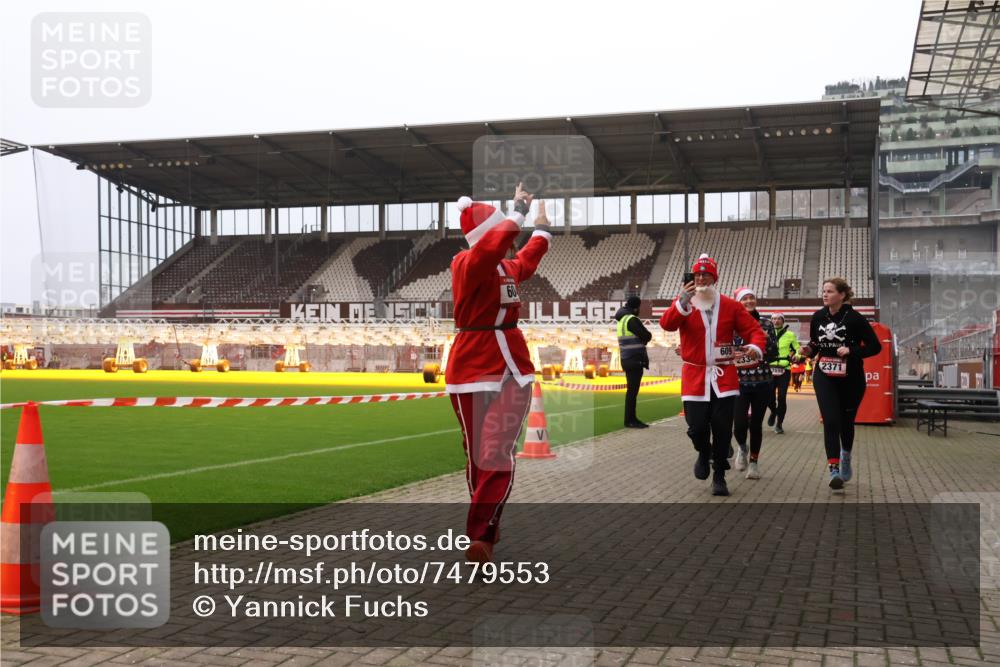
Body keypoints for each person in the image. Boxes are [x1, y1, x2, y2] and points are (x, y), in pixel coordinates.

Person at [446, 184, 552, 562]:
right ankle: (487, 526)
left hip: (512, 369)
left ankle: (480, 535)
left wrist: (541, 230)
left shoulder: (505, 266)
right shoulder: (466, 263)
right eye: (501, 232)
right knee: (476, 455)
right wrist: (518, 211)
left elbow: (527, 259)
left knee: (495, 450)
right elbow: (491, 249)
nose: (507, 245)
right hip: (470, 369)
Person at [660, 254, 766, 496]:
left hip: (724, 377)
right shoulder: (685, 303)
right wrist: (682, 301)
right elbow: (666, 324)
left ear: (714, 277)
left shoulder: (730, 305)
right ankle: (703, 452)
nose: (701, 278)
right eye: (697, 274)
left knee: (721, 429)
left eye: (706, 274)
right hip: (695, 377)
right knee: (696, 427)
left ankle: (719, 476)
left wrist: (756, 347)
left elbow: (754, 330)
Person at [799, 277, 882, 490]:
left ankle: (845, 455)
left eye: (829, 291)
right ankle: (833, 469)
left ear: (842, 295)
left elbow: (875, 347)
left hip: (851, 377)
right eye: (823, 291)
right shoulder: (818, 316)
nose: (825, 294)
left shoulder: (855, 318)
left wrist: (852, 351)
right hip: (824, 374)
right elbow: (816, 344)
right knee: (831, 420)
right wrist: (809, 351)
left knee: (846, 422)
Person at [731, 287, 778, 480]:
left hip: (762, 381)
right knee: (739, 425)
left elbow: (774, 352)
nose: (749, 301)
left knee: (756, 425)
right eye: (744, 299)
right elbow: (724, 349)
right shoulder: (730, 324)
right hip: (739, 382)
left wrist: (764, 345)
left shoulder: (766, 323)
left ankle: (754, 463)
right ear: (738, 303)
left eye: (752, 298)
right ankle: (742, 447)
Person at [614, 296, 653, 428]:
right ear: (636, 307)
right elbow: (647, 335)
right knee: (632, 392)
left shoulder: (622, 320)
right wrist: (644, 339)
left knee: (631, 391)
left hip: (626, 358)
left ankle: (630, 419)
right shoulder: (632, 320)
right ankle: (630, 420)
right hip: (634, 359)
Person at [766, 313, 800, 434]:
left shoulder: (790, 334)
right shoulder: (766, 334)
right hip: (769, 369)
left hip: (784, 369)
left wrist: (797, 356)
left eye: (779, 319)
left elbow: (797, 349)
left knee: (781, 397)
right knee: (768, 397)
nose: (776, 321)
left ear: (783, 321)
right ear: (771, 321)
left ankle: (779, 423)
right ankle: (774, 411)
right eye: (774, 319)